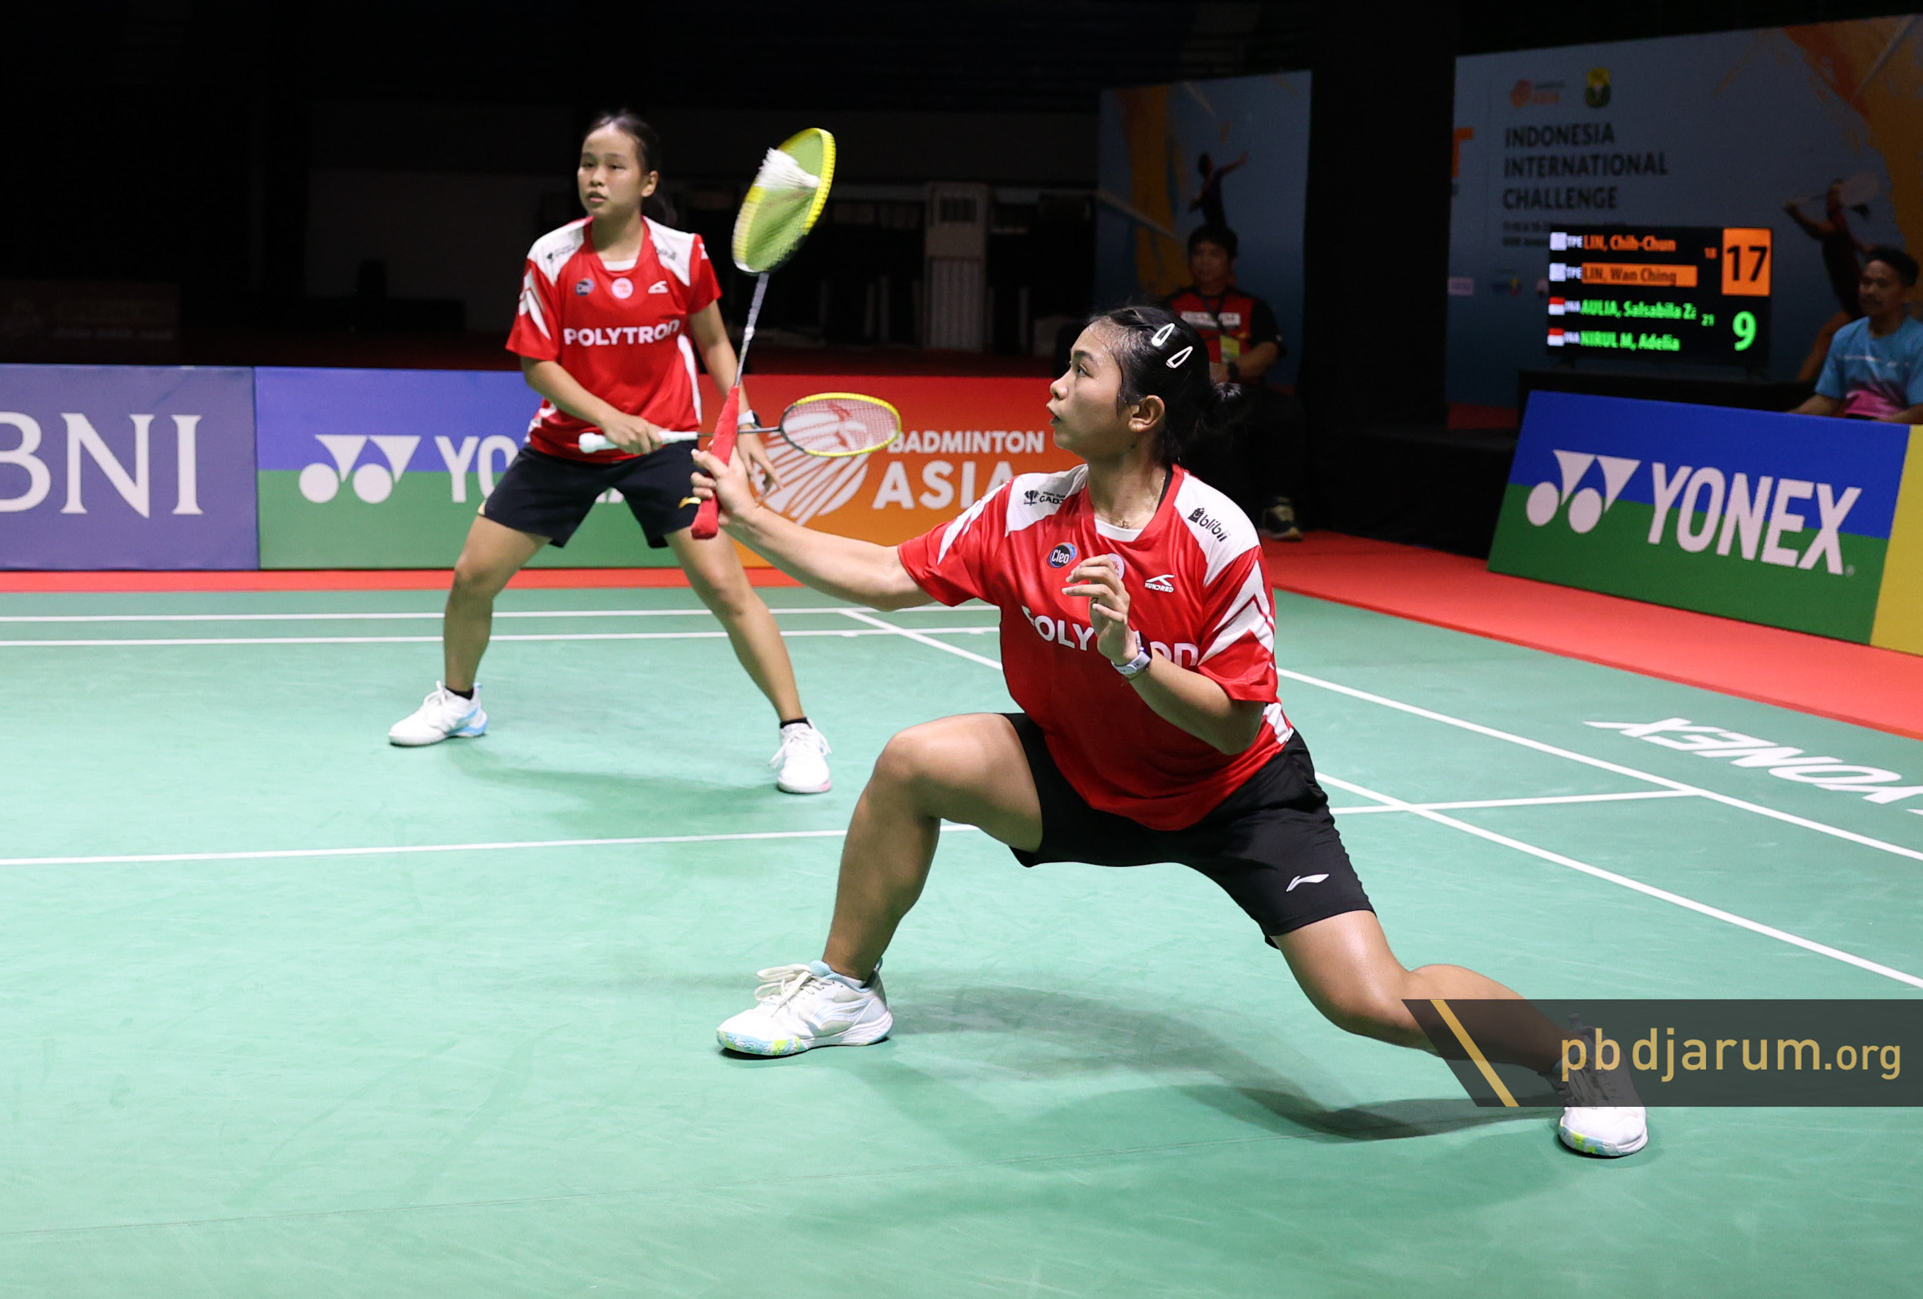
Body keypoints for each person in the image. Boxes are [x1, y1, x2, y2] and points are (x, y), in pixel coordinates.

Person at [691, 304, 1647, 1159]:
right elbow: (883, 573)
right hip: (1086, 774)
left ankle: (1579, 1055)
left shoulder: (1215, 538)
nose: (1055, 385)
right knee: (914, 762)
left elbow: (1234, 728)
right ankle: (847, 988)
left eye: (1081, 370)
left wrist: (1133, 656)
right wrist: (751, 518)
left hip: (1235, 797)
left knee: (1367, 998)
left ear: (1143, 412)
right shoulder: (1026, 510)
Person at [388, 111, 833, 794]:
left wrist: (741, 421)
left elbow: (714, 342)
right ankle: (458, 701)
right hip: (566, 443)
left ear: (648, 181)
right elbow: (537, 364)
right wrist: (608, 417)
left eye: (614, 166)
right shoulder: (552, 256)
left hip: (665, 444)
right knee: (473, 575)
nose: (596, 177)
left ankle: (798, 731)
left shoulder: (683, 254)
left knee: (725, 588)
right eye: (588, 163)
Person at [1166, 225, 1305, 541]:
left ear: (1231, 262)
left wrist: (1229, 369)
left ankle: (1277, 505)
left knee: (1287, 412)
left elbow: (1269, 350)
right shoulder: (1173, 305)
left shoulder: (1252, 306)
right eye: (1199, 253)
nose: (1205, 261)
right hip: (1196, 396)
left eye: (1214, 254)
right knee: (1212, 426)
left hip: (1243, 390)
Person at [1791, 246, 1923, 426]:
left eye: (1882, 285)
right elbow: (1826, 400)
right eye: (1866, 282)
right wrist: (1784, 420)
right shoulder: (1845, 336)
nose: (1870, 291)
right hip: (1857, 431)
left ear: (1907, 294)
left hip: (1903, 437)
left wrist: (1870, 432)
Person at [1782, 182, 1872, 381]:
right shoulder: (1839, 223)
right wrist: (1862, 248)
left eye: (1837, 193)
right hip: (1854, 301)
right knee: (1829, 339)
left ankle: (1797, 390)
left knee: (1828, 339)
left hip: (1857, 301)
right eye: (1830, 192)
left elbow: (1816, 230)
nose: (1830, 196)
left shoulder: (1834, 224)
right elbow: (1847, 239)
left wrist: (1795, 214)